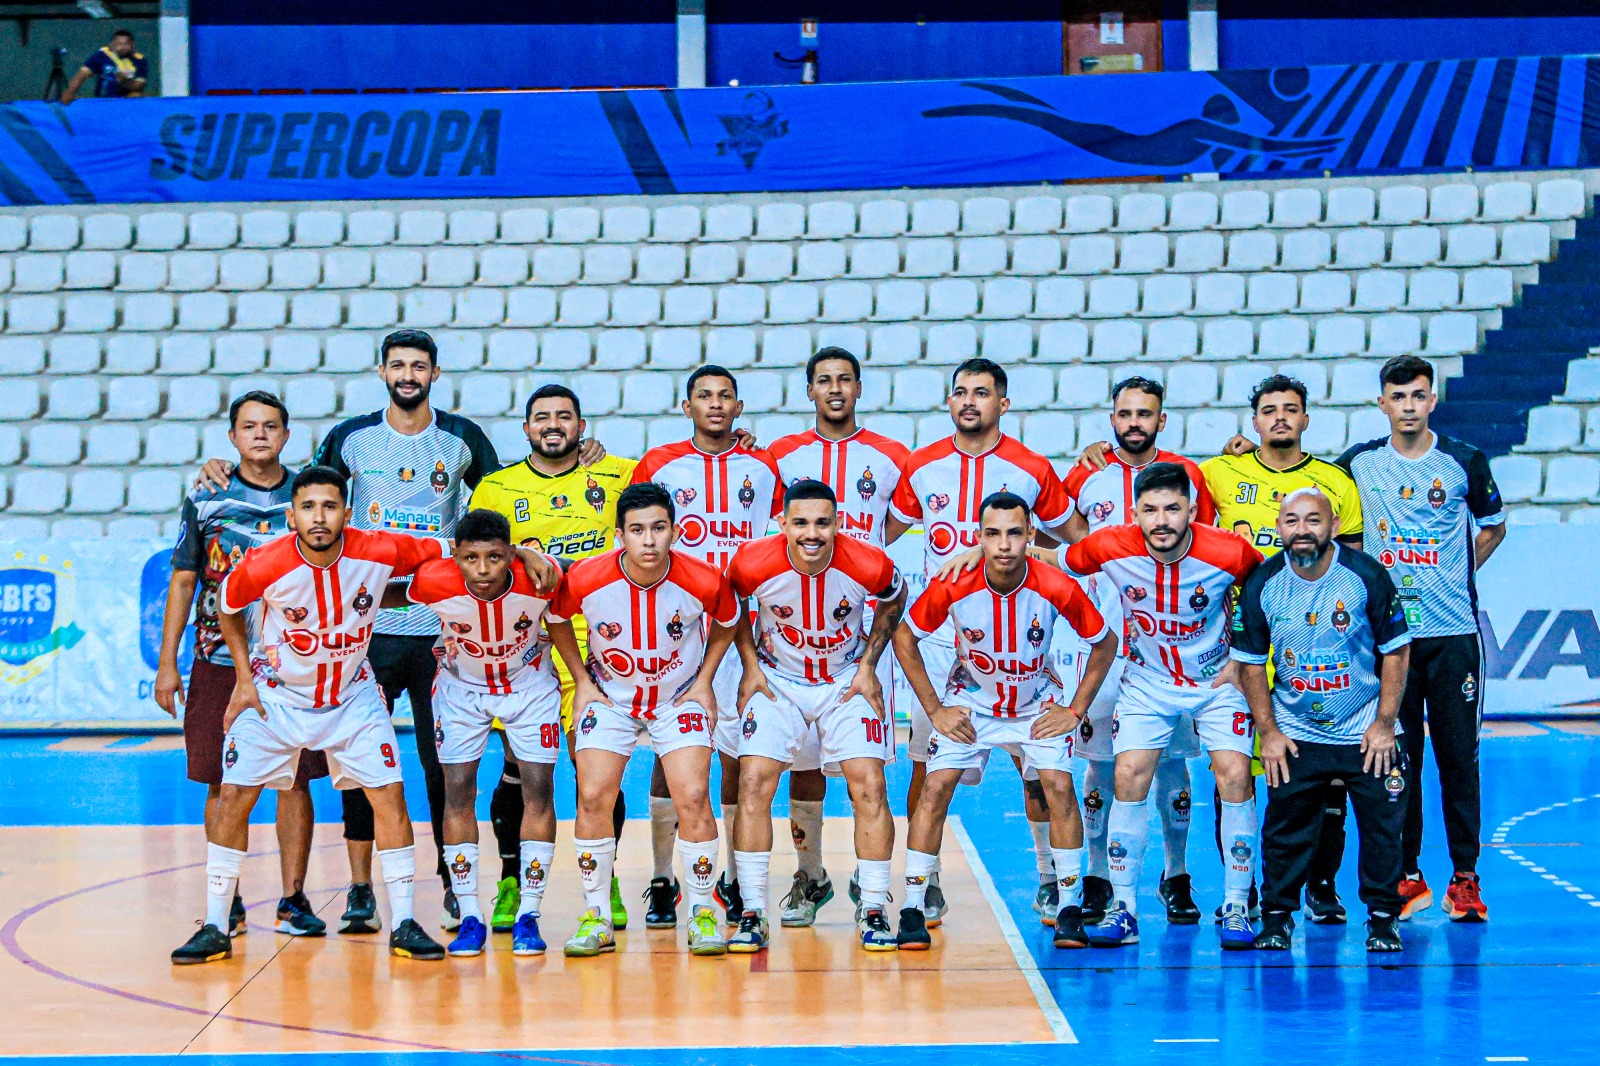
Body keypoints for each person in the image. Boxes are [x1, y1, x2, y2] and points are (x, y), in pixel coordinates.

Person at [170, 467, 452, 965]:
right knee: (234, 795)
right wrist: (243, 677)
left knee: (389, 795)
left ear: (347, 511)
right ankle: (215, 925)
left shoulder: (381, 549)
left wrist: (518, 556)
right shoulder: (264, 562)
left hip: (352, 697)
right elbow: (229, 607)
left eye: (329, 506)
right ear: (290, 514)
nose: (318, 517)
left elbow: (449, 553)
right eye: (307, 507)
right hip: (276, 696)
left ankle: (405, 921)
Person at [886, 357, 1075, 928]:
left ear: (1003, 404)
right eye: (961, 392)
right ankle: (929, 884)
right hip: (942, 639)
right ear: (950, 402)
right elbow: (879, 531)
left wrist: (1038, 556)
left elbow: (1078, 542)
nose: (970, 401)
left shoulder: (1031, 468)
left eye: (983, 393)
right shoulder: (921, 466)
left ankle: (1048, 878)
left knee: (1036, 765)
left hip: (1021, 635)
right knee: (928, 762)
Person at [894, 491, 1117, 950]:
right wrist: (935, 708)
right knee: (934, 788)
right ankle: (914, 907)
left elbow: (1105, 642)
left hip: (1035, 702)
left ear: (1030, 535)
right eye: (992, 534)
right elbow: (904, 638)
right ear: (978, 538)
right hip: (972, 702)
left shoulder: (1055, 584)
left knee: (1057, 786)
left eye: (1015, 533)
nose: (1004, 544)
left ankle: (1069, 904)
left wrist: (1073, 710)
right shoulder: (955, 582)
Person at [1061, 463, 1263, 949]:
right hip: (1148, 679)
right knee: (1128, 774)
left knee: (1234, 773)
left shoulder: (1228, 551)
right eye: (1150, 510)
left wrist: (1243, 655)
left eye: (1173, 508)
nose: (1162, 520)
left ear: (1193, 511)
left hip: (1215, 679)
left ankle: (1237, 903)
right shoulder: (1109, 544)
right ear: (1135, 513)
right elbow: (1056, 561)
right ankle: (1124, 907)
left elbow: (1266, 592)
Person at [1337, 355, 1506, 922]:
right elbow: (1297, 477)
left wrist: (1459, 574)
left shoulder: (1463, 461)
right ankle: (1407, 876)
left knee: (1459, 759)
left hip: (1453, 635)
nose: (1408, 406)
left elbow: (1494, 525)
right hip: (1390, 644)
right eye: (1398, 396)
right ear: (1381, 403)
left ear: (1432, 400)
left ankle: (1465, 877)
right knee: (1395, 758)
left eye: (1418, 395)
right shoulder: (1358, 464)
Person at [155, 391, 329, 940]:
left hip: (294, 664)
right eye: (249, 426)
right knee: (219, 780)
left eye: (270, 426)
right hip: (215, 660)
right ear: (232, 437)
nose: (260, 435)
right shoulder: (207, 496)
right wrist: (168, 665)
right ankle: (224, 902)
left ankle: (294, 899)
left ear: (286, 435)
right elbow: (185, 579)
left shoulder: (307, 496)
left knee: (295, 783)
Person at [545, 482, 740, 958]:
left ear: (674, 530)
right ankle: (597, 917)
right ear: (619, 535)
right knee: (592, 795)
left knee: (693, 795)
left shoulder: (704, 578)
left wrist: (706, 678)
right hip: (611, 696)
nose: (649, 541)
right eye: (637, 530)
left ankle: (702, 913)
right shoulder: (587, 577)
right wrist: (581, 680)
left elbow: (730, 618)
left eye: (658, 528)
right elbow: (554, 618)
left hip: (677, 698)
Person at [468, 384, 637, 933]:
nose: (553, 424)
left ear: (582, 425)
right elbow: (474, 553)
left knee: (596, 769)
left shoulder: (617, 474)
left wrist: (742, 439)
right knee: (521, 768)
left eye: (565, 416)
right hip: (522, 640)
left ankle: (603, 880)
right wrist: (520, 552)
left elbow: (681, 477)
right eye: (542, 417)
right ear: (526, 429)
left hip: (599, 639)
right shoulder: (496, 488)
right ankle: (512, 883)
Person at [1198, 373, 1366, 924]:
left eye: (1290, 409)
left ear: (1305, 419)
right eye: (1268, 409)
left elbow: (1354, 569)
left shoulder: (1334, 482)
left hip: (1315, 649)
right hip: (1240, 648)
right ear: (1254, 421)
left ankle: (1320, 885)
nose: (1279, 418)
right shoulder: (1218, 473)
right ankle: (1239, 889)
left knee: (1324, 772)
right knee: (1236, 772)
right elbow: (1169, 510)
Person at [1059, 376, 1218, 927]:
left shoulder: (1187, 474)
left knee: (1172, 763)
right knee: (1101, 765)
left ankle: (1175, 875)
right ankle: (1099, 875)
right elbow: (1071, 545)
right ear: (1111, 418)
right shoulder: (1086, 473)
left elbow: (1208, 549)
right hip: (1105, 647)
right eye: (1124, 413)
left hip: (1170, 647)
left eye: (1144, 414)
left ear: (1161, 419)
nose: (1133, 423)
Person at [725, 479, 908, 953]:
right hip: (777, 679)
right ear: (782, 523)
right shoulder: (752, 560)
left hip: (844, 678)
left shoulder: (868, 561)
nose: (812, 533)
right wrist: (749, 665)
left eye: (823, 523)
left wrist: (868, 666)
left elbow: (894, 597)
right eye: (800, 522)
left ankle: (871, 907)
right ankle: (751, 910)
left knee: (868, 783)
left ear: (838, 524)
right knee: (754, 781)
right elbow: (731, 604)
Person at [630, 365, 782, 925]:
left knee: (743, 755)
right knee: (670, 757)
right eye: (704, 396)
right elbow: (630, 528)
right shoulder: (660, 464)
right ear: (686, 405)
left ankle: (738, 880)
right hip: (680, 628)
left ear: (738, 409)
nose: (715, 405)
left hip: (745, 629)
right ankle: (664, 878)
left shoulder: (763, 465)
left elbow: (779, 535)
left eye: (725, 397)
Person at [765, 347, 911, 927]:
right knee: (802, 764)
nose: (834, 389)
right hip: (794, 635)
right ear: (809, 390)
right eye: (823, 380)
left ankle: (873, 885)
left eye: (844, 380)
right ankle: (811, 873)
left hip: (860, 634)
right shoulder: (779, 455)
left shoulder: (893, 456)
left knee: (862, 767)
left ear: (858, 388)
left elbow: (899, 521)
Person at [1233, 488, 1411, 953]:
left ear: (1333, 525)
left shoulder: (1366, 575)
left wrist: (1385, 722)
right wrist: (1268, 732)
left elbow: (1397, 650)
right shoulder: (1263, 582)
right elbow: (1250, 663)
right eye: (1291, 521)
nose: (1302, 530)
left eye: (1313, 520)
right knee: (1284, 829)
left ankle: (1382, 917)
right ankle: (1276, 916)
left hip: (1364, 729)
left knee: (1382, 827)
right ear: (1279, 527)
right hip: (1296, 732)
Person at [391, 510, 563, 958]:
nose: (483, 569)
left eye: (495, 557)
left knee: (539, 790)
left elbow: (583, 583)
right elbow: (385, 590)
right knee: (458, 790)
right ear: (455, 555)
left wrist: (528, 554)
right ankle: (469, 913)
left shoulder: (541, 578)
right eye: (471, 558)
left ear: (510, 555)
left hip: (529, 687)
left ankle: (529, 913)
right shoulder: (434, 580)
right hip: (461, 689)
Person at [61, 28, 146, 104]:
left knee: (137, 95)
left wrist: (124, 82)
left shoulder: (139, 59)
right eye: (119, 44)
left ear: (132, 44)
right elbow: (82, 74)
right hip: (103, 102)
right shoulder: (103, 55)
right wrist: (70, 92)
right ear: (112, 44)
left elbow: (139, 85)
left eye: (126, 44)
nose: (122, 47)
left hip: (126, 103)